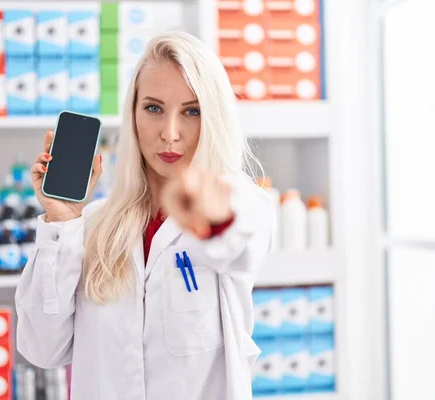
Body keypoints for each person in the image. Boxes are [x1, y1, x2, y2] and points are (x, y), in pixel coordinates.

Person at [15, 31, 275, 400]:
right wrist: (62, 222)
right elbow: (42, 348)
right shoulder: (90, 226)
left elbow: (239, 240)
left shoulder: (243, 205)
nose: (170, 134)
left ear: (214, 117)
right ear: (133, 114)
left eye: (192, 111)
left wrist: (207, 209)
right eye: (154, 108)